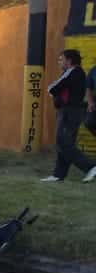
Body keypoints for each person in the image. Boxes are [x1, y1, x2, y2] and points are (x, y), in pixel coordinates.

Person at [43, 49, 96, 183]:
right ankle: (58, 175)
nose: (59, 62)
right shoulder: (72, 73)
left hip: (70, 111)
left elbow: (52, 87)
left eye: (61, 59)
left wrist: (52, 91)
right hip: (69, 111)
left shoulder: (74, 71)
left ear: (69, 61)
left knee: (63, 141)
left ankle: (90, 167)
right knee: (65, 143)